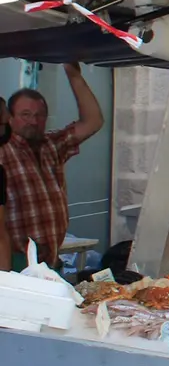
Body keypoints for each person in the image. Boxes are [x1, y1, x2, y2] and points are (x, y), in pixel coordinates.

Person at [2, 64, 104, 269]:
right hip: (14, 263)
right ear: (10, 119)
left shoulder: (51, 145)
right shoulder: (3, 151)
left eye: (40, 115)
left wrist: (73, 75)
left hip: (50, 263)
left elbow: (93, 121)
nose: (34, 121)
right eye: (26, 114)